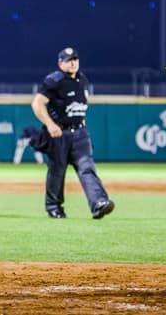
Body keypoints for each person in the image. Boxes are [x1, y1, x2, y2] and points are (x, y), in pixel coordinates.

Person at [31, 47, 114, 219]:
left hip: (80, 133)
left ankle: (99, 203)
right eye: (69, 60)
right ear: (60, 63)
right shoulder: (54, 80)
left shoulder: (82, 79)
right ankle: (54, 207)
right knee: (57, 171)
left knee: (87, 168)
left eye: (75, 59)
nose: (73, 63)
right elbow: (37, 104)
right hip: (60, 134)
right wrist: (50, 124)